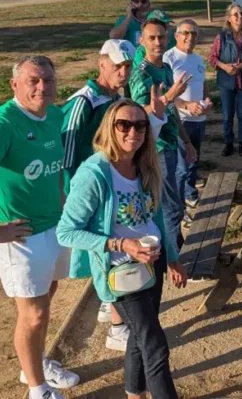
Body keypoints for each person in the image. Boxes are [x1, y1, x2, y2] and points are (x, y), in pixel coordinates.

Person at [0, 55, 79, 399]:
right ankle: (38, 390)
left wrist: (62, 199)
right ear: (15, 85)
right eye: (33, 81)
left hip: (54, 225)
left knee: (48, 295)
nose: (42, 87)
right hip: (20, 235)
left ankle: (34, 363)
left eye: (48, 80)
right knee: (34, 314)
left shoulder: (54, 114)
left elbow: (53, 168)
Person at [57, 99, 188, 399]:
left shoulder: (145, 166)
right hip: (121, 271)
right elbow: (66, 232)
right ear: (110, 127)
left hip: (151, 263)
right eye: (124, 125)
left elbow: (155, 220)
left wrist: (172, 258)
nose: (133, 132)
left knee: (140, 340)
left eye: (140, 125)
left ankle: (134, 394)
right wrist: (120, 244)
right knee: (154, 344)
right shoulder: (94, 173)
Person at [62, 39, 168, 352]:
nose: (123, 72)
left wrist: (156, 117)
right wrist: (70, 196)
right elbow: (68, 156)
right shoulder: (85, 101)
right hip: (91, 191)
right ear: (102, 65)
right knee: (104, 254)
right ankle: (115, 319)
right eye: (117, 66)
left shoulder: (115, 98)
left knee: (117, 256)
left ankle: (116, 317)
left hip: (112, 187)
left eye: (127, 66)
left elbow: (130, 136)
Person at [129, 15, 198, 251]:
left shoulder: (167, 68)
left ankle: (174, 245)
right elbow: (137, 114)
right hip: (154, 148)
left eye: (161, 37)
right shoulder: (141, 75)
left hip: (172, 144)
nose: (157, 42)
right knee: (169, 207)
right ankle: (173, 258)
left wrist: (186, 141)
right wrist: (170, 95)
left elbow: (171, 110)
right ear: (141, 41)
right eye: (152, 38)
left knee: (174, 201)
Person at [163, 20, 212, 210]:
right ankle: (177, 205)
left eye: (194, 34)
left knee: (193, 160)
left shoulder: (198, 60)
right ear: (177, 36)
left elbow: (203, 83)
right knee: (181, 167)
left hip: (199, 119)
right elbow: (166, 94)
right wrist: (186, 105)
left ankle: (190, 193)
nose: (189, 37)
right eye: (186, 33)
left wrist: (206, 100)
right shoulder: (170, 58)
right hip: (180, 120)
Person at [210, 3, 242, 157]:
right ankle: (228, 143)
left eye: (241, 14)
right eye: (236, 14)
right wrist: (225, 67)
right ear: (230, 19)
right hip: (226, 81)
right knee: (227, 114)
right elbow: (212, 58)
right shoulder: (222, 37)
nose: (239, 16)